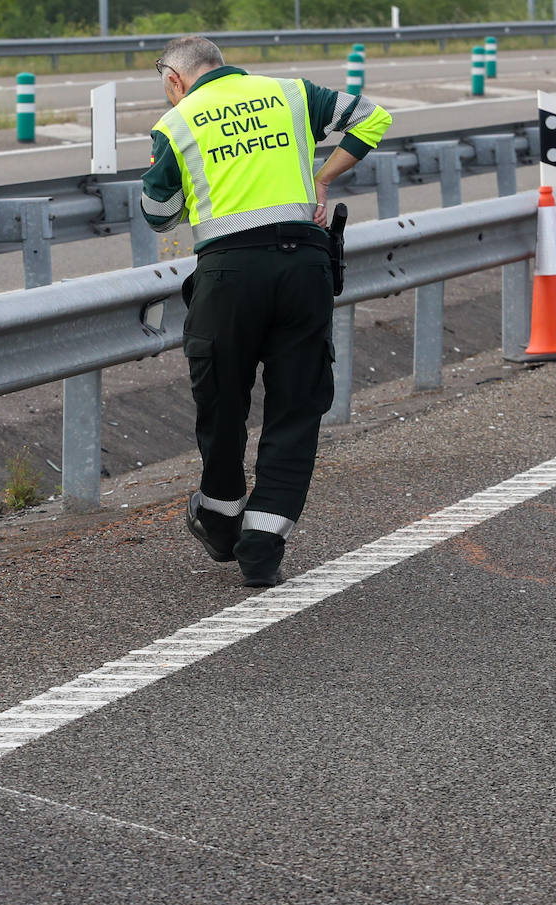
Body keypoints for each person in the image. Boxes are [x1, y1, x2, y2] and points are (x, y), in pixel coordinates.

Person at [142, 35, 392, 587]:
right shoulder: (291, 93)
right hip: (304, 266)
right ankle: (262, 545)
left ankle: (219, 513)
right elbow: (372, 117)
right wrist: (321, 179)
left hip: (229, 275)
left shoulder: (178, 121)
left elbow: (159, 214)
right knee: (296, 405)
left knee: (222, 397)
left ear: (173, 80)